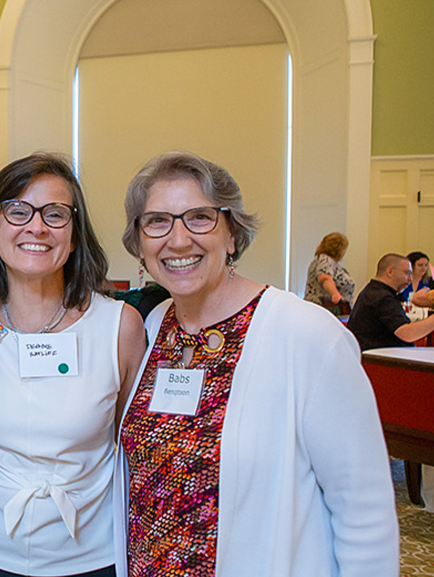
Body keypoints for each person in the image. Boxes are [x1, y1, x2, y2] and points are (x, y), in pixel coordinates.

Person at [116, 151, 398, 576]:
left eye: (199, 217)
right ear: (139, 242)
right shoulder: (156, 327)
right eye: (157, 221)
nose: (177, 239)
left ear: (232, 234)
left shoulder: (305, 334)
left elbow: (364, 511)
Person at [0, 153, 146, 577]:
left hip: (90, 555)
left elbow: (131, 443)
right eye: (18, 211)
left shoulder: (119, 327)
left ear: (73, 237)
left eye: (55, 214)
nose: (36, 227)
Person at [348, 253, 434, 351]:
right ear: (390, 272)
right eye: (407, 273)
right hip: (384, 360)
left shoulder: (372, 290)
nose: (410, 279)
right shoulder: (382, 297)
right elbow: (407, 333)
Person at [303, 231, 355, 314]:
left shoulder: (320, 260)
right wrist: (335, 294)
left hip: (319, 310)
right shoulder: (325, 260)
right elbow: (324, 277)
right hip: (325, 310)